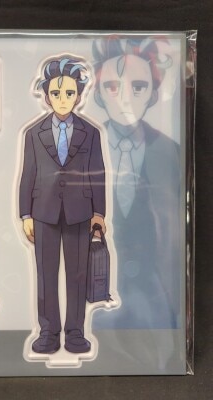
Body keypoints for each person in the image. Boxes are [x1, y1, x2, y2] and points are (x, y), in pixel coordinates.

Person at [92, 37, 181, 329]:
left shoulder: (170, 152)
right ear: (98, 93)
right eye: (112, 87)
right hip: (93, 294)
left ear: (153, 93)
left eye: (138, 87)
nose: (124, 98)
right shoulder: (82, 149)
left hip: (157, 301)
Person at [19, 58, 106, 353]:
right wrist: (25, 214)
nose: (63, 99)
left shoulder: (90, 132)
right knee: (46, 276)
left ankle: (75, 332)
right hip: (43, 213)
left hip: (80, 213)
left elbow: (97, 173)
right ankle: (48, 332)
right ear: (46, 95)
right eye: (56, 93)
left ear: (79, 95)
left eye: (69, 93)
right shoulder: (34, 133)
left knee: (77, 275)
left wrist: (99, 213)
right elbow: (28, 174)